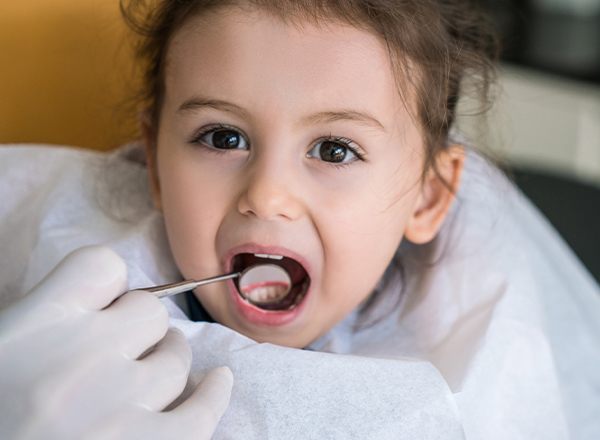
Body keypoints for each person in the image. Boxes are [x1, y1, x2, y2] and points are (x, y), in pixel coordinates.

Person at [1, 0, 599, 438]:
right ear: (155, 163)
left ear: (427, 198)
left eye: (334, 150)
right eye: (222, 136)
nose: (268, 196)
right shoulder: (38, 265)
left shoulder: (488, 362)